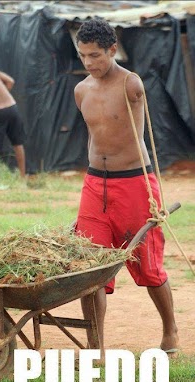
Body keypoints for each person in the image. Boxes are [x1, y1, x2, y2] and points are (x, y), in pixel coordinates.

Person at [74, 18, 179, 361]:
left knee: (148, 268)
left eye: (95, 56)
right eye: (83, 56)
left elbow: (139, 104)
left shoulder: (131, 84)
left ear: (112, 50)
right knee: (91, 268)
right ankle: (97, 349)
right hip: (94, 186)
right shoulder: (81, 91)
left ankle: (170, 330)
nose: (89, 63)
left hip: (135, 183)